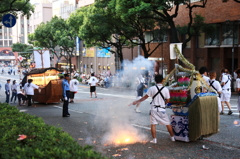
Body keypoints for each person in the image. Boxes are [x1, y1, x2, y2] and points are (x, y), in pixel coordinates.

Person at [130, 75, 175, 143]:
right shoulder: (165, 89)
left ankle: (154, 140)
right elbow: (168, 100)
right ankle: (173, 138)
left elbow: (144, 97)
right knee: (167, 124)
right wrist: (163, 103)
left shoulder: (152, 88)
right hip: (162, 109)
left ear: (155, 81)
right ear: (162, 80)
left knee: (153, 125)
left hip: (154, 109)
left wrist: (136, 101)